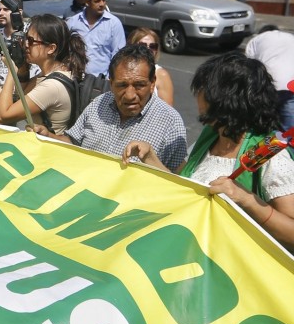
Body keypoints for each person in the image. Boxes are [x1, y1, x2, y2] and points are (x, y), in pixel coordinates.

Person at [123, 52, 294, 249]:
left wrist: (248, 200)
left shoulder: (270, 155)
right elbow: (183, 186)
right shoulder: (209, 136)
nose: (198, 95)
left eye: (204, 89)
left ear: (226, 98)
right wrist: (150, 157)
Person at [35, 44, 187, 171]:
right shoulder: (99, 104)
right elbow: (73, 142)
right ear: (111, 83)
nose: (129, 95)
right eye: (122, 85)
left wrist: (150, 159)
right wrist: (48, 136)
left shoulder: (170, 122)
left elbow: (179, 184)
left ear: (152, 83)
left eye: (139, 85)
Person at [0, 14, 88, 134]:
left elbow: (4, 115)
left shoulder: (52, 86)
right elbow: (21, 99)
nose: (25, 45)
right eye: (25, 39)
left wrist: (12, 69)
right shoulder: (49, 74)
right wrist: (22, 69)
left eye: (30, 41)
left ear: (51, 48)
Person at [66, 0, 126, 76]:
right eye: (97, 1)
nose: (102, 4)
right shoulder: (73, 23)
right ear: (87, 2)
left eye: (104, 0)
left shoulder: (114, 24)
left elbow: (119, 56)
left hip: (101, 82)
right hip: (76, 79)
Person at [245, 25, 294, 130]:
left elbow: (249, 67)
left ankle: (267, 143)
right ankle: (289, 143)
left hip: (267, 86)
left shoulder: (256, 40)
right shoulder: (290, 37)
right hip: (289, 86)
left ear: (262, 33)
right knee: (288, 123)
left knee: (264, 121)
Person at [128, 27, 174, 106]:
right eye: (143, 45)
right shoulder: (122, 71)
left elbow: (168, 112)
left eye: (153, 46)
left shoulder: (161, 75)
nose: (148, 49)